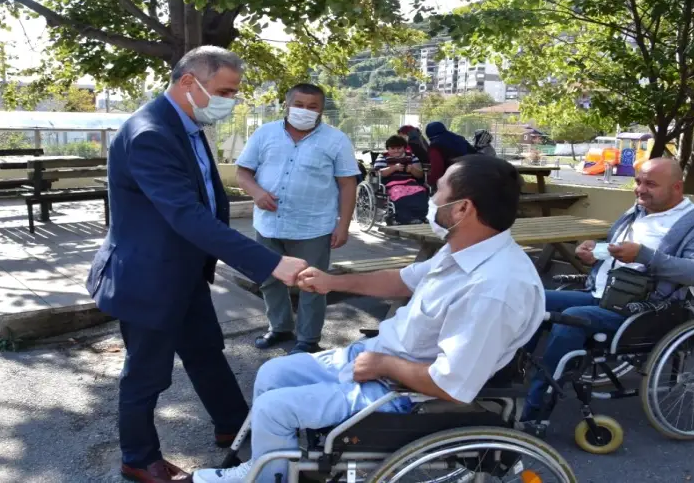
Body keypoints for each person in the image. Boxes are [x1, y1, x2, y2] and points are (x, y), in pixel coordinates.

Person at [191, 155, 546, 483]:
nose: (431, 197)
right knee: (274, 372)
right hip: (380, 357)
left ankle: (267, 474)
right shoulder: (465, 251)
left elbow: (451, 386)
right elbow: (402, 279)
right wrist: (333, 282)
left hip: (405, 392)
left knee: (274, 408)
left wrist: (383, 365)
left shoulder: (494, 288)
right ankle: (275, 464)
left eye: (438, 191)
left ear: (462, 209)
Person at [86, 46, 309, 483]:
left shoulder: (186, 124)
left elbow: (208, 201)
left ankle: (237, 427)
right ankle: (138, 457)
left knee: (206, 351)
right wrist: (270, 263)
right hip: (148, 277)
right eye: (225, 91)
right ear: (190, 82)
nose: (231, 100)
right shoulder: (150, 132)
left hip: (183, 273)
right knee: (146, 374)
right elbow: (187, 215)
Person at [521, 158, 694, 422]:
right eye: (638, 181)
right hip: (601, 295)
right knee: (532, 298)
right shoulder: (638, 211)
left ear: (677, 188)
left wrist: (644, 256)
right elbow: (614, 247)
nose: (640, 189)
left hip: (643, 310)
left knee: (571, 318)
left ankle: (536, 408)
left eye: (650, 184)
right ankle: (512, 375)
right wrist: (594, 251)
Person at [236, 83, 359, 355]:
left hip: (313, 226)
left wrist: (343, 225)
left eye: (312, 107)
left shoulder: (336, 140)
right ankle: (279, 328)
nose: (305, 111)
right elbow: (243, 172)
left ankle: (308, 338)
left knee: (312, 284)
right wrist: (256, 192)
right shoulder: (264, 134)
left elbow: (347, 184)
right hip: (268, 225)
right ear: (287, 105)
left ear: (321, 110)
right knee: (269, 279)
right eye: (299, 105)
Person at [372, 135, 428, 224]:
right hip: (392, 184)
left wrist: (412, 170)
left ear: (404, 148)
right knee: (400, 193)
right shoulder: (383, 156)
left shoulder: (412, 156)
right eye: (393, 148)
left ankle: (421, 216)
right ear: (388, 148)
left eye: (399, 148)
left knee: (420, 192)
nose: (396, 151)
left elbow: (420, 175)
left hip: (410, 183)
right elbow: (378, 173)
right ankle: (405, 218)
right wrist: (393, 168)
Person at [425, 121, 476, 188]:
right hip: (471, 175)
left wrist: (430, 182)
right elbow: (473, 153)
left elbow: (437, 169)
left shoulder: (435, 145)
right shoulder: (459, 138)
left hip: (452, 180)